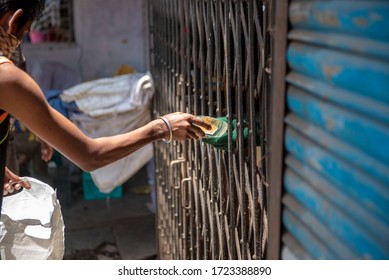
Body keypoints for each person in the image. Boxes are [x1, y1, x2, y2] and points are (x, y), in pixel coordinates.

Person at [0, 0, 210, 210]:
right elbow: (90, 155)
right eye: (24, 34)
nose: (19, 43)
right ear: (13, 20)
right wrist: (162, 128)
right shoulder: (7, 78)